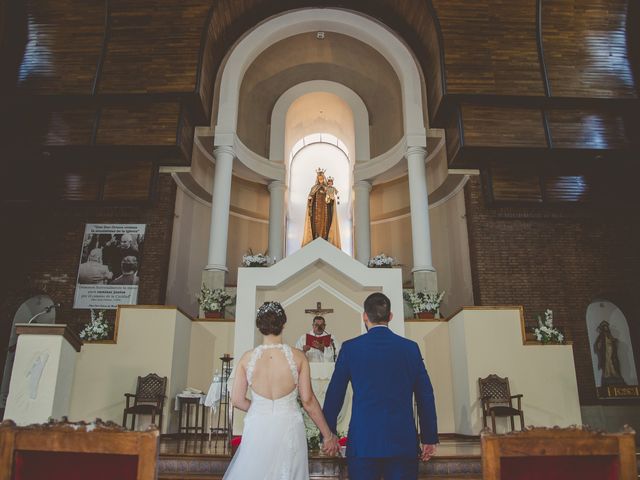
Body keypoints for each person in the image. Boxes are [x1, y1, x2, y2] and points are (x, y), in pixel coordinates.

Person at [323, 292, 438, 480]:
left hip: (364, 441)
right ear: (390, 316)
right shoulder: (410, 348)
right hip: (402, 441)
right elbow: (425, 395)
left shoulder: (351, 348)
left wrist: (328, 434)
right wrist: (429, 437)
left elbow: (335, 394)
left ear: (365, 316)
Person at [224, 301, 339, 480]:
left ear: (259, 326)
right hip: (289, 425)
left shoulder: (247, 358)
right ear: (283, 324)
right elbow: (308, 401)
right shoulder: (298, 357)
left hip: (258, 425)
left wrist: (261, 408)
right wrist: (328, 435)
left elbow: (237, 400)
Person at [301, 168, 341, 249]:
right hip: (316, 211)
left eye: (322, 178)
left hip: (325, 210)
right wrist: (310, 199)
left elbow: (332, 198)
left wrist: (331, 199)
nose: (321, 180)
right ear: (317, 179)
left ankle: (325, 238)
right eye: (319, 179)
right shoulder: (314, 188)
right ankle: (316, 237)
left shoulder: (328, 188)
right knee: (316, 224)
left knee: (326, 223)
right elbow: (310, 197)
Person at [594, 320, 626, 386]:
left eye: (606, 327)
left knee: (613, 361)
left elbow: (612, 340)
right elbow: (598, 344)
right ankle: (607, 374)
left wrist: (614, 341)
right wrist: (599, 345)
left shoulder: (609, 335)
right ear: (603, 328)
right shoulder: (601, 336)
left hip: (611, 350)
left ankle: (614, 374)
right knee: (607, 362)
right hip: (605, 351)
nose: (606, 328)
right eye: (604, 327)